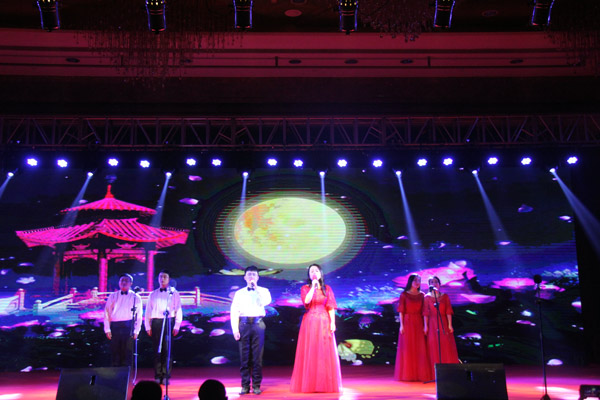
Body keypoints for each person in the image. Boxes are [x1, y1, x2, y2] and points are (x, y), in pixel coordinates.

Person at [290, 264, 342, 393]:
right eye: (311, 271)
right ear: (309, 274)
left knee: (324, 351)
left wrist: (333, 322)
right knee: (311, 350)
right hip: (310, 321)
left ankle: (324, 383)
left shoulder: (327, 288)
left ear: (320, 273)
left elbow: (330, 307)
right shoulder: (305, 288)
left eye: (316, 271)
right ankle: (310, 383)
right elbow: (306, 301)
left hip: (324, 320)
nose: (314, 273)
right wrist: (313, 287)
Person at [230, 266, 272, 395]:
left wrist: (256, 289)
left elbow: (266, 301)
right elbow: (234, 311)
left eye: (254, 274)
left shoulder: (264, 291)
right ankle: (245, 385)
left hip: (258, 324)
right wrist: (235, 329)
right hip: (243, 324)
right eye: (249, 274)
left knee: (257, 357)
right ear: (245, 277)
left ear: (258, 277)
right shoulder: (239, 293)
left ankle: (257, 385)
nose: (251, 277)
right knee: (244, 357)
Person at [144, 269, 183, 385]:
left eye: (165, 277)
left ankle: (166, 375)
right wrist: (147, 326)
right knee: (157, 350)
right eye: (160, 277)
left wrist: (177, 325)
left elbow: (178, 309)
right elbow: (148, 311)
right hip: (156, 322)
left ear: (169, 279)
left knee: (167, 349)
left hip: (169, 322)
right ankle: (157, 375)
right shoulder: (153, 294)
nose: (162, 279)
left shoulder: (174, 293)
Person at [394, 274, 431, 382]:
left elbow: (425, 311)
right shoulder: (404, 294)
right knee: (408, 348)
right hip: (407, 322)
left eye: (419, 280)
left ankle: (420, 374)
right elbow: (401, 311)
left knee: (420, 348)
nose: (417, 282)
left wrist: (426, 326)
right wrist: (401, 325)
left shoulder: (422, 295)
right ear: (410, 281)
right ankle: (408, 374)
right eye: (415, 280)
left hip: (419, 322)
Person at [103, 273, 143, 367]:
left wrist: (136, 331)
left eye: (126, 280)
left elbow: (139, 316)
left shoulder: (135, 297)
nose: (124, 282)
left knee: (127, 354)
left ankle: (126, 374)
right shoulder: (113, 296)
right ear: (119, 282)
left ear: (131, 283)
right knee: (115, 353)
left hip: (128, 327)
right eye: (122, 280)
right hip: (115, 327)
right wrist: (107, 329)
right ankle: (115, 374)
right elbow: (107, 313)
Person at [423, 276, 460, 376]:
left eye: (436, 282)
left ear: (439, 284)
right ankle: (435, 372)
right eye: (431, 282)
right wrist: (426, 326)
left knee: (446, 346)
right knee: (433, 346)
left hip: (443, 322)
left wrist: (450, 325)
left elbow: (448, 311)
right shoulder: (426, 297)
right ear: (429, 285)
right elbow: (425, 313)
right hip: (432, 323)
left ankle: (448, 372)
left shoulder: (445, 296)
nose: (434, 284)